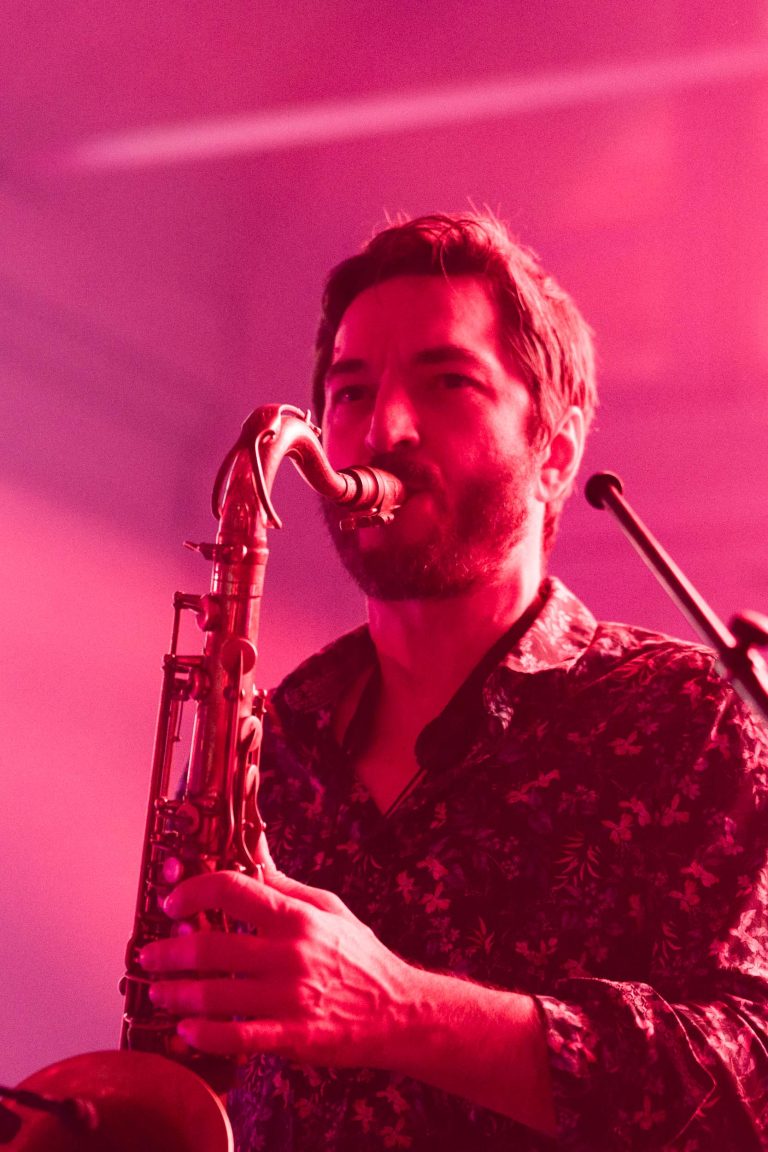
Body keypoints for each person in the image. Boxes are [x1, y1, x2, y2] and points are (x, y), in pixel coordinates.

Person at [139, 214, 768, 1150]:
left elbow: (749, 1079)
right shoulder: (268, 737)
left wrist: (398, 1008)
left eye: (447, 383)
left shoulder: (691, 715)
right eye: (350, 393)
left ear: (556, 454)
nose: (381, 427)